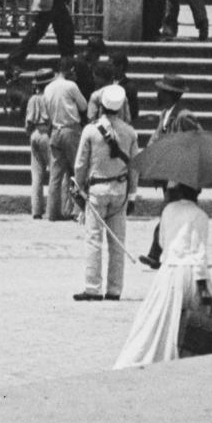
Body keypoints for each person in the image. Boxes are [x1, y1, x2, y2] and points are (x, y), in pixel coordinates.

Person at [110, 112, 212, 369]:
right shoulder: (201, 216)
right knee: (201, 324)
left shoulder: (169, 212)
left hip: (172, 274)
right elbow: (200, 253)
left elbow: (163, 241)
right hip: (198, 275)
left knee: (157, 323)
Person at [71, 84, 136, 301]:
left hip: (97, 189)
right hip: (120, 189)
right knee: (118, 241)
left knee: (94, 239)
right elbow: (135, 166)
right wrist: (133, 193)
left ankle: (93, 286)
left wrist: (78, 187)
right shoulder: (130, 132)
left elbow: (80, 164)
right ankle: (115, 289)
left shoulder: (91, 130)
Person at [24, 58, 85, 222]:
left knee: (52, 175)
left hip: (51, 131)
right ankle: (75, 210)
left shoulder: (44, 92)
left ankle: (51, 212)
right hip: (67, 129)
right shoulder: (70, 86)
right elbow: (83, 106)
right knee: (76, 170)